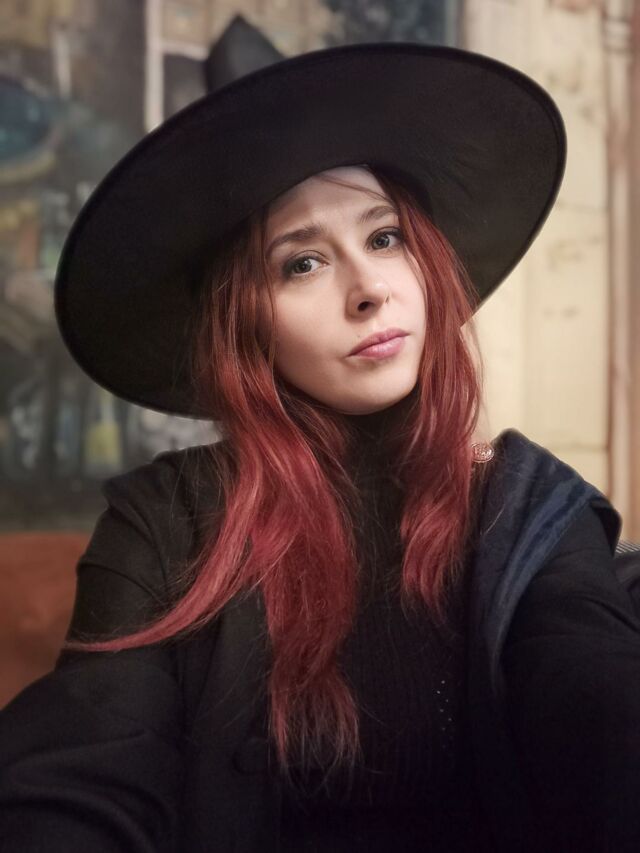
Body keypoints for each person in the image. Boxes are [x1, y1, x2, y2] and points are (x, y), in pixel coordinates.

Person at [2, 16, 640, 853]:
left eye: (385, 236)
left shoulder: (529, 505)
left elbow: (600, 715)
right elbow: (84, 764)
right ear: (245, 324)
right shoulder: (166, 520)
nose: (370, 287)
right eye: (301, 262)